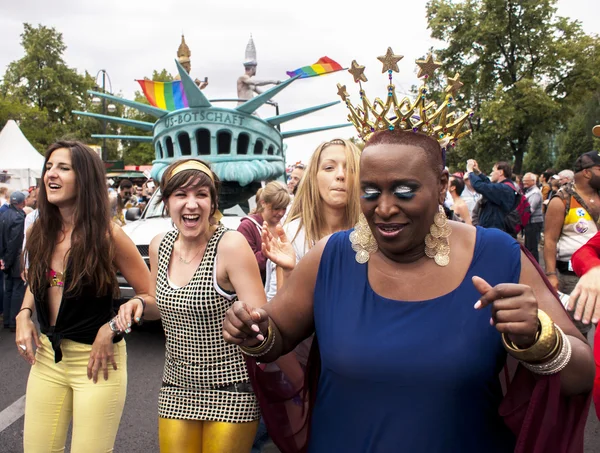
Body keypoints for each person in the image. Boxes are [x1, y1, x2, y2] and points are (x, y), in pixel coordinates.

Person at [223, 129, 594, 453]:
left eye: (404, 191)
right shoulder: (331, 257)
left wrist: (538, 336)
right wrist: (251, 329)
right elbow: (275, 338)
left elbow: (580, 373)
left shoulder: (497, 255)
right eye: (370, 191)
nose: (384, 208)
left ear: (441, 183)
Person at [117, 158, 266, 453]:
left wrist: (246, 319)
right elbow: (160, 305)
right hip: (176, 387)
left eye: (201, 194)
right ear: (167, 201)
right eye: (181, 195)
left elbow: (263, 322)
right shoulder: (161, 244)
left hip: (232, 389)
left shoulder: (230, 245)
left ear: (212, 202)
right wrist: (136, 303)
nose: (191, 204)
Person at [16, 140, 151, 452]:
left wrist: (114, 327)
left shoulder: (109, 236)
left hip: (98, 363)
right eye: (49, 167)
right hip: (47, 358)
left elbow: (151, 297)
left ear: (86, 179)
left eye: (64, 168)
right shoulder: (40, 231)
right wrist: (23, 314)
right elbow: (37, 280)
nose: (52, 174)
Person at [543, 151, 600, 334]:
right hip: (571, 278)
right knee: (576, 331)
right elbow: (550, 241)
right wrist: (551, 275)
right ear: (587, 172)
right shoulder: (562, 200)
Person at [238, 182, 290, 284]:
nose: (281, 213)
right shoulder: (247, 227)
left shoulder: (286, 224)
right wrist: (269, 250)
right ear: (263, 203)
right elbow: (245, 265)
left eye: (284, 208)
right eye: (276, 208)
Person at [466, 159, 518, 235]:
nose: (491, 173)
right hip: (494, 230)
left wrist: (470, 171)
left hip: (494, 231)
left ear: (500, 172)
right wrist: (478, 172)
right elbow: (489, 185)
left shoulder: (503, 189)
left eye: (493, 171)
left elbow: (479, 186)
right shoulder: (504, 187)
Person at [1, 190, 27, 331]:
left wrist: (3, 259)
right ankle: (13, 321)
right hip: (14, 259)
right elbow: (14, 242)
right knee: (17, 290)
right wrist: (9, 261)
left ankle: (7, 320)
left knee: (9, 290)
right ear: (22, 202)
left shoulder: (4, 214)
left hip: (7, 257)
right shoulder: (18, 217)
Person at [522, 173, 544, 262]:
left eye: (526, 181)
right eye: (523, 180)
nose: (524, 182)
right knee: (528, 246)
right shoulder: (529, 191)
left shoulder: (535, 193)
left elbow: (530, 209)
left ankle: (535, 267)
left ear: (533, 181)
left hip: (534, 222)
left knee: (532, 247)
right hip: (529, 222)